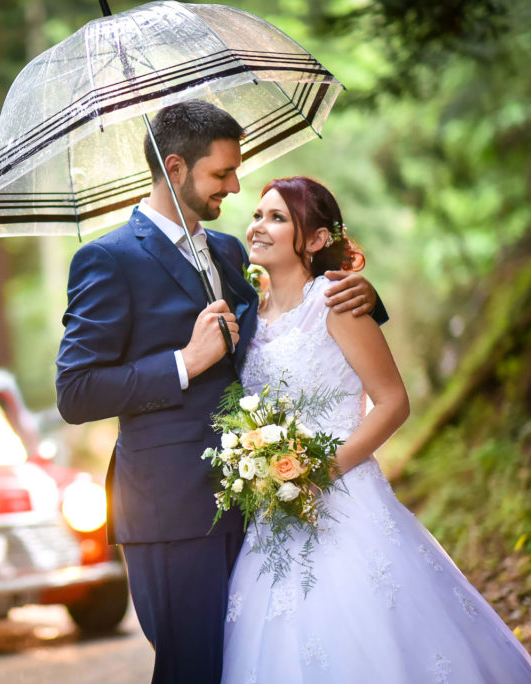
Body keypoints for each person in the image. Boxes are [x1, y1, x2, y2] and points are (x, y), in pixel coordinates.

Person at [54, 100, 381, 684]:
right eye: (222, 174)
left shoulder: (230, 250)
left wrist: (360, 289)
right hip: (171, 509)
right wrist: (184, 361)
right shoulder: (108, 260)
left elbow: (289, 322)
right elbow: (75, 392)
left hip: (253, 504)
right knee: (192, 670)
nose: (234, 185)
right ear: (175, 167)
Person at [221, 176, 531, 683]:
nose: (258, 226)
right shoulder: (248, 314)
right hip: (274, 517)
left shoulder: (338, 300)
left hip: (345, 500)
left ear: (317, 240)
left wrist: (319, 472)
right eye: (258, 215)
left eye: (277, 217)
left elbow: (392, 402)